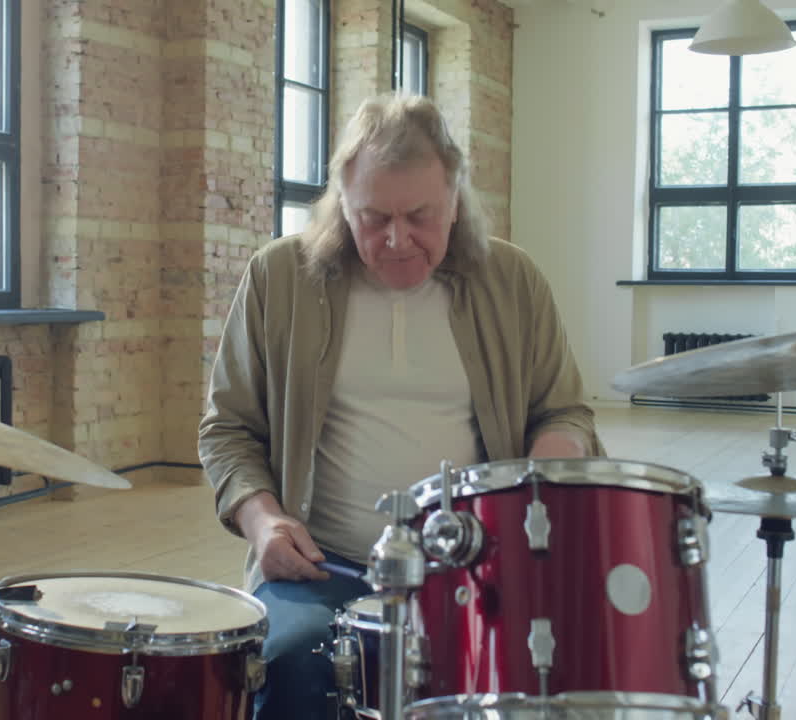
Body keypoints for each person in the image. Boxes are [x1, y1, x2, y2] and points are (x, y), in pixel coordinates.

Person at [198, 93, 602, 720]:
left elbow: (564, 412)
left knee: (537, 671)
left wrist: (545, 474)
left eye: (420, 216)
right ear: (341, 203)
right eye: (373, 217)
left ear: (456, 201)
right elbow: (228, 429)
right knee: (288, 663)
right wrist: (263, 521)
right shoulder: (279, 278)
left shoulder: (512, 281)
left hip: (474, 562)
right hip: (320, 563)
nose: (396, 239)